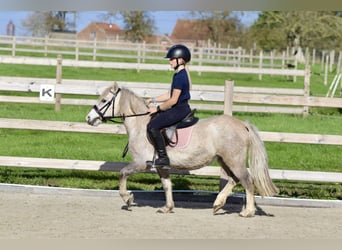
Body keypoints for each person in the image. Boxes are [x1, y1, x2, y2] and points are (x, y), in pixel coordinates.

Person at [145, 44, 192, 169]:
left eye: (172, 59)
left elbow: (173, 100)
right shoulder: (179, 75)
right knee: (156, 120)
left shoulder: (180, 77)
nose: (170, 62)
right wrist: (152, 99)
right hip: (179, 108)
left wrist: (157, 108)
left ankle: (163, 158)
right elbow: (169, 94)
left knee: (153, 126)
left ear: (180, 60)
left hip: (179, 109)